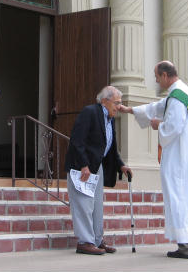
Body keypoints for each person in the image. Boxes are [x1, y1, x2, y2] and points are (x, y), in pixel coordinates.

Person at [119, 61, 188, 259]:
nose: (155, 80)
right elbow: (159, 106)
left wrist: (158, 126)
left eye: (156, 76)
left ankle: (185, 246)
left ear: (164, 75)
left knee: (178, 193)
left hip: (179, 157)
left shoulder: (177, 96)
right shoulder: (182, 92)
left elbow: (173, 126)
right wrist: (131, 110)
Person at [64, 85, 132, 255]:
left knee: (96, 206)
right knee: (83, 205)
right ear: (104, 101)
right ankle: (85, 242)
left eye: (120, 103)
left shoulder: (110, 118)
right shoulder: (90, 112)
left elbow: (111, 147)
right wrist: (83, 165)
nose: (119, 107)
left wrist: (121, 165)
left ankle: (97, 240)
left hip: (97, 166)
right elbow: (77, 140)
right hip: (82, 167)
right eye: (116, 103)